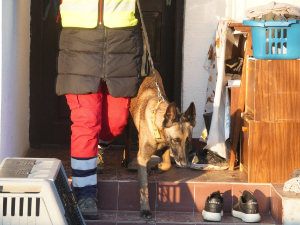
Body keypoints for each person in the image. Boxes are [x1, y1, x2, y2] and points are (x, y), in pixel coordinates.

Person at [54, 0, 147, 220]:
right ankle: (85, 193)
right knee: (86, 119)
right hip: (79, 37)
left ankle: (96, 148)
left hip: (122, 39)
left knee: (117, 120)